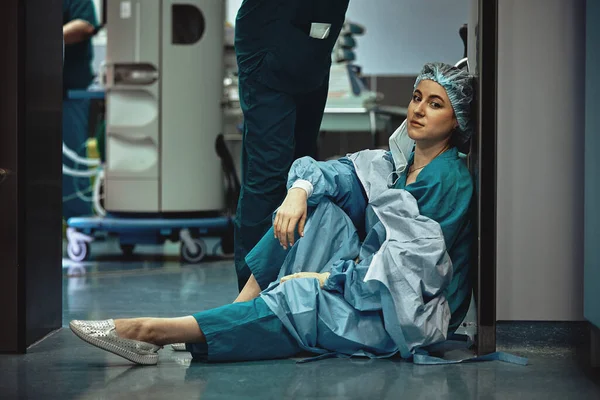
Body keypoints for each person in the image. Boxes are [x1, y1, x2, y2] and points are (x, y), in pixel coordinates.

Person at [69, 62, 475, 366]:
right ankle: (235, 311)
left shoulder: (445, 181)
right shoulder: (399, 165)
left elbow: (402, 276)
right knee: (317, 205)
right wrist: (299, 191)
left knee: (302, 295)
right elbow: (335, 174)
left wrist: (324, 278)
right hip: (368, 281)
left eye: (435, 104)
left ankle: (150, 332)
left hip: (404, 313)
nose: (418, 110)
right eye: (417, 97)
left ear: (457, 121)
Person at [233, 0, 351, 291]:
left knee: (303, 173)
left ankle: (290, 288)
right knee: (270, 175)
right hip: (271, 40)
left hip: (315, 47)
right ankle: (251, 299)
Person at [62, 0, 99, 220]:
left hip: (70, 91)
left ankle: (79, 223)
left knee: (72, 160)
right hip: (30, 90)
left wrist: (44, 37)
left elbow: (84, 26)